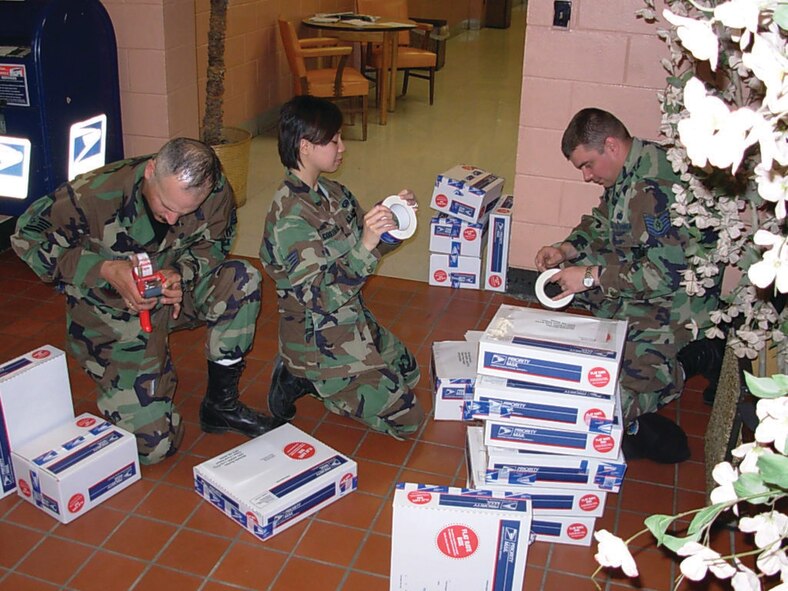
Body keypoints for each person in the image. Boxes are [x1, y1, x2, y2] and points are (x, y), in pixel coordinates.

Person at [12, 138, 282, 465]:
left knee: (240, 278)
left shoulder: (213, 189)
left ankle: (220, 406)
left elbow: (214, 244)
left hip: (173, 296)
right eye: (166, 206)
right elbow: (26, 237)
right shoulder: (92, 193)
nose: (171, 219)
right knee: (153, 448)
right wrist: (104, 268)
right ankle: (142, 373)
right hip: (113, 313)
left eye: (185, 212)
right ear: (151, 170)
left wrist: (179, 272)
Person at [534, 108, 723, 464]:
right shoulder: (629, 169)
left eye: (587, 165)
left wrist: (590, 275)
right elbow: (604, 220)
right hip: (647, 281)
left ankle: (695, 357)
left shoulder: (654, 187)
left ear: (611, 146)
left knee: (619, 396)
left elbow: (665, 276)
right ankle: (628, 342)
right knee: (578, 286)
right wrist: (566, 249)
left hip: (679, 300)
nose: (587, 176)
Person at [259, 95, 424, 439]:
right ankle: (306, 376)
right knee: (408, 421)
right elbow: (319, 297)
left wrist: (394, 217)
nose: (342, 147)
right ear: (305, 147)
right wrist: (365, 243)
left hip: (350, 317)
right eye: (333, 140)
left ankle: (326, 382)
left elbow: (369, 246)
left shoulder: (332, 192)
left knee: (411, 373)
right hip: (318, 336)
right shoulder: (291, 217)